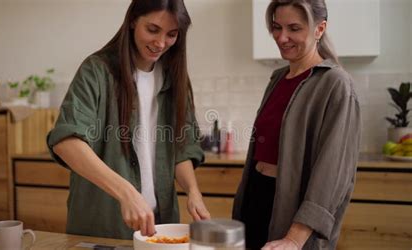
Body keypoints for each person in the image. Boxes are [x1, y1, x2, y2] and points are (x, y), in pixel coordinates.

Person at [47, 0, 210, 240]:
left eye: (172, 34)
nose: (160, 43)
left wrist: (193, 191)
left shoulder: (175, 78)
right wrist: (127, 192)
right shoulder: (97, 70)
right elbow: (66, 142)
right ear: (133, 20)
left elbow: (181, 149)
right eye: (152, 30)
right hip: (103, 226)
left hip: (158, 225)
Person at [232, 0, 361, 249]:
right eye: (276, 27)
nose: (282, 37)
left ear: (319, 29)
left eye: (294, 28)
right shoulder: (278, 78)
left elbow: (332, 173)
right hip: (256, 200)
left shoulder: (335, 84)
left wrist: (294, 238)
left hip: (293, 215)